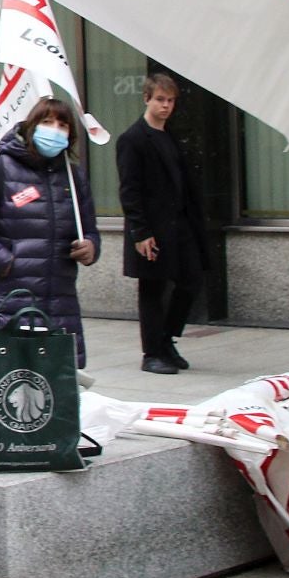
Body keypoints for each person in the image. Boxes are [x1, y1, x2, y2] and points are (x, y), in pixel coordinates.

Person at [0, 98, 99, 366]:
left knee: (55, 389)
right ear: (31, 126)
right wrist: (6, 262)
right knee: (5, 386)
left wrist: (90, 247)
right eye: (47, 122)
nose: (55, 130)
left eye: (62, 125)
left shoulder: (73, 177)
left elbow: (90, 230)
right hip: (6, 302)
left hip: (60, 307)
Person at [116, 74, 208, 375]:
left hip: (179, 225)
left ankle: (166, 339)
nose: (166, 106)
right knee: (152, 288)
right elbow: (129, 190)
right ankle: (152, 353)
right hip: (152, 229)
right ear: (147, 99)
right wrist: (141, 232)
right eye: (160, 100)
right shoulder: (133, 139)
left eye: (170, 101)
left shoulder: (169, 135)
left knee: (191, 279)